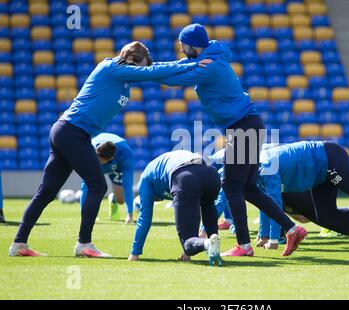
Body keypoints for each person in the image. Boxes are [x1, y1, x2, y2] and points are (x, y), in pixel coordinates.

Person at [9, 41, 209, 258]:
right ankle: (83, 244)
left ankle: (19, 244)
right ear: (130, 60)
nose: (142, 71)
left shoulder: (124, 79)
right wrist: (192, 62)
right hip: (72, 131)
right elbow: (154, 71)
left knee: (47, 191)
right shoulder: (110, 67)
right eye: (140, 66)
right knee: (96, 186)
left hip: (70, 132)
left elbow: (156, 71)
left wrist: (192, 67)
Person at [152, 23, 305, 257]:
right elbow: (177, 66)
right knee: (248, 189)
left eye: (183, 44)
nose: (180, 49)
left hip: (242, 127)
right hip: (247, 125)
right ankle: (292, 228)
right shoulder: (206, 58)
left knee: (232, 185)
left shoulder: (210, 65)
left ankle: (244, 246)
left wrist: (142, 74)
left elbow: (176, 79)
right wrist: (146, 68)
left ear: (192, 45)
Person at [128, 150, 222, 266]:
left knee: (188, 243)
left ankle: (207, 244)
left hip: (185, 175)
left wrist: (134, 253)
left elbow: (144, 218)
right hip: (211, 174)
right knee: (208, 204)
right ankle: (214, 245)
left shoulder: (145, 180)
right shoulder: (158, 169)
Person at [80, 133, 135, 224]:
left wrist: (130, 215)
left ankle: (113, 199)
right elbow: (84, 186)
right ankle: (88, 214)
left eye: (100, 161)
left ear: (110, 159)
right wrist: (84, 217)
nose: (99, 162)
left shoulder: (126, 155)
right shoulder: (89, 152)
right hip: (97, 163)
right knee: (90, 187)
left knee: (120, 200)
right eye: (97, 159)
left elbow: (128, 186)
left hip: (116, 167)